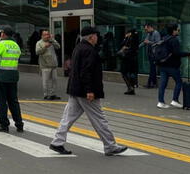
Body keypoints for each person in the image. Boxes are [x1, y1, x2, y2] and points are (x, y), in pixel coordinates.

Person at [49, 26, 127, 156]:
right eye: (96, 35)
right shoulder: (89, 50)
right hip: (85, 91)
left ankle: (57, 142)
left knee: (67, 118)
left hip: (75, 89)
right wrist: (90, 90)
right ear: (91, 37)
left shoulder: (79, 48)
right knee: (99, 118)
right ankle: (110, 146)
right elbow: (87, 72)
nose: (98, 37)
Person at [0, 26, 23, 133]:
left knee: (2, 102)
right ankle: (19, 124)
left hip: (2, 76)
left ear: (3, 34)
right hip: (13, 76)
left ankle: (4, 124)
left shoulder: (0, 45)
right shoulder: (16, 45)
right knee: (13, 101)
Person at [157, 24, 190, 109]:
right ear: (174, 31)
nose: (178, 31)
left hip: (162, 65)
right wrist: (189, 54)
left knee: (163, 84)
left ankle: (160, 102)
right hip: (172, 66)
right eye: (178, 30)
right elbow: (177, 53)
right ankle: (175, 100)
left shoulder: (164, 38)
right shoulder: (174, 40)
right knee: (179, 82)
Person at [36, 29, 61, 100]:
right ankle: (46, 94)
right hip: (45, 65)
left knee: (54, 80)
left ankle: (53, 94)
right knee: (45, 81)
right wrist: (45, 47)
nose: (47, 36)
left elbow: (58, 47)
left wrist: (53, 40)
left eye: (48, 34)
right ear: (42, 36)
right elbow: (37, 52)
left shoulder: (52, 41)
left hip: (53, 64)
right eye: (45, 35)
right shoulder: (39, 43)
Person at [118, 29, 139, 95]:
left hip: (127, 58)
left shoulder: (129, 39)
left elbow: (122, 44)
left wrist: (125, 38)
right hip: (133, 59)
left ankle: (130, 87)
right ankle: (132, 88)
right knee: (131, 73)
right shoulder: (136, 39)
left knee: (124, 72)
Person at [142, 23, 161, 88]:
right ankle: (153, 83)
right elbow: (145, 42)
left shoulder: (156, 33)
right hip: (150, 53)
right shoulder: (148, 34)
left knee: (152, 69)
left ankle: (150, 83)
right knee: (152, 69)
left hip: (154, 54)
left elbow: (158, 43)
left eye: (146, 29)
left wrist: (149, 42)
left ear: (150, 27)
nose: (146, 31)